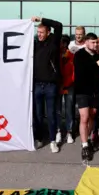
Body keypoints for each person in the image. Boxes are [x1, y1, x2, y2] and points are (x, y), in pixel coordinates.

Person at [31, 16, 63, 153]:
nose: (39, 35)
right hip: (37, 85)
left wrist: (41, 19)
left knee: (50, 114)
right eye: (37, 32)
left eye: (42, 32)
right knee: (37, 115)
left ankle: (52, 141)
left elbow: (59, 24)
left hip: (50, 85)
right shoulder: (34, 44)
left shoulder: (53, 42)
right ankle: (39, 138)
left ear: (48, 32)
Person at [74, 33, 99, 162]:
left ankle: (89, 138)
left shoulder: (98, 55)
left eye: (96, 42)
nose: (95, 44)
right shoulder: (79, 55)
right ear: (86, 42)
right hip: (82, 91)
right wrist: (96, 64)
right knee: (84, 117)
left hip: (95, 92)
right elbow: (81, 71)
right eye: (93, 42)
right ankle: (85, 145)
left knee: (92, 115)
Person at [56, 35, 75, 145]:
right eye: (61, 43)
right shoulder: (55, 56)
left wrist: (67, 84)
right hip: (58, 86)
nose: (62, 46)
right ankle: (58, 131)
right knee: (57, 110)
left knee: (69, 110)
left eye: (64, 43)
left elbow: (74, 73)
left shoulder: (72, 56)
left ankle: (69, 132)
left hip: (69, 87)